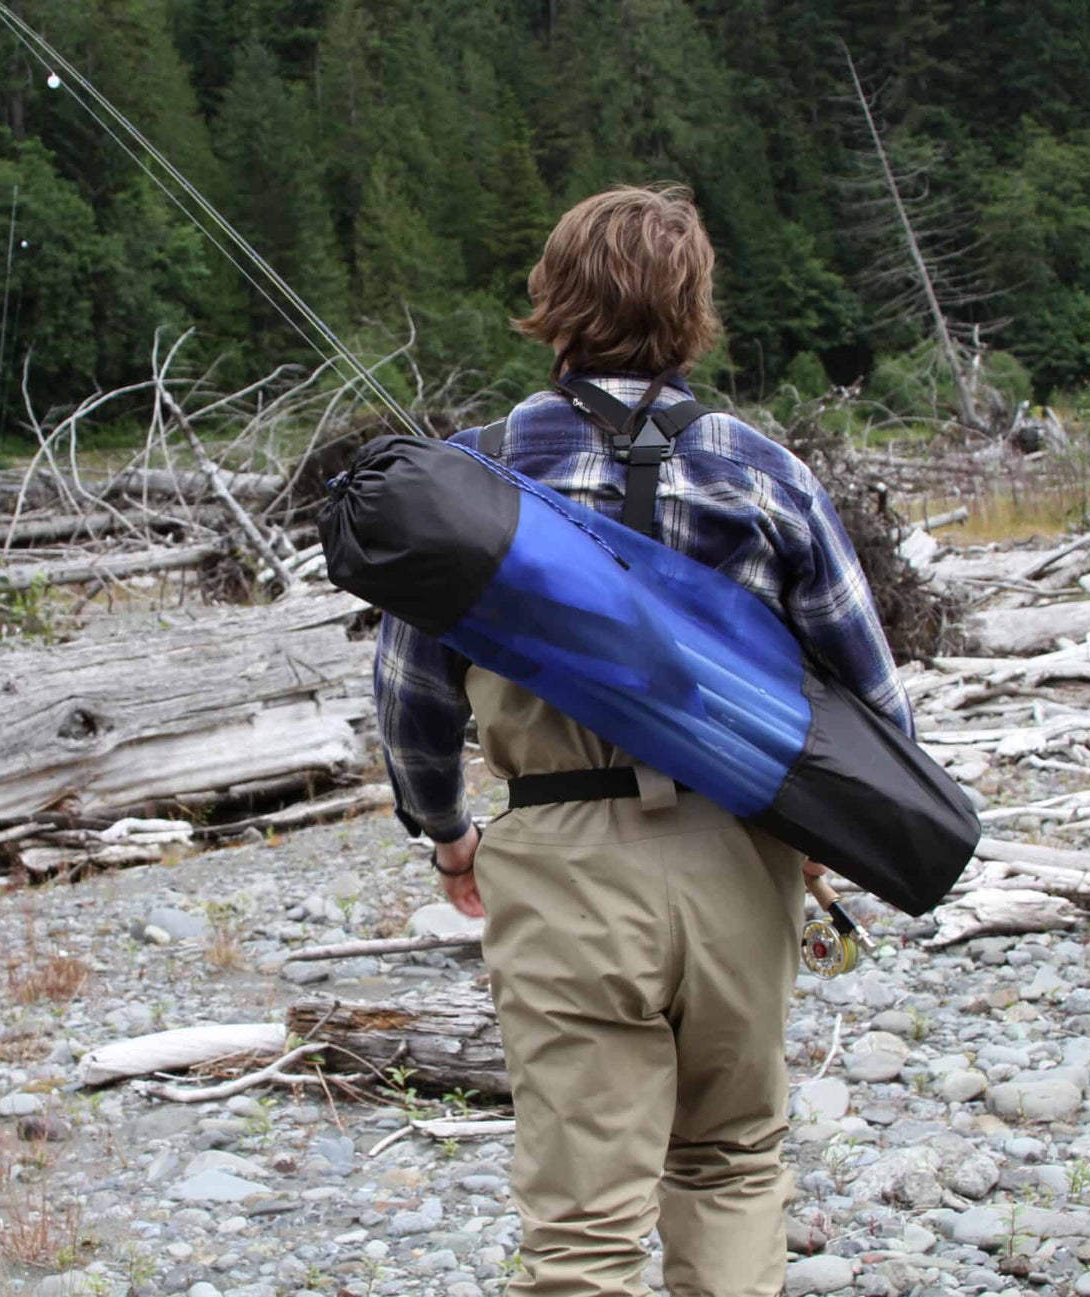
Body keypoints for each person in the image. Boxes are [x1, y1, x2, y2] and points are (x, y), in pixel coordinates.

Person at [373, 184, 914, 1297]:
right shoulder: (767, 474)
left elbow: (410, 697)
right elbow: (871, 701)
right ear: (692, 311)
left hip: (562, 861)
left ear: (552, 304)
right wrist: (820, 844)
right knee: (726, 1159)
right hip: (739, 855)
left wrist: (444, 833)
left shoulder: (468, 478)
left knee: (579, 1233)